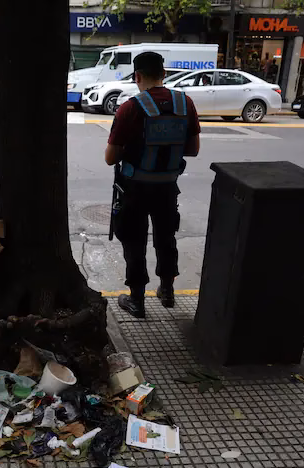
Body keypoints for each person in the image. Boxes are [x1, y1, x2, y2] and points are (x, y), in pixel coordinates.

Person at [104, 52, 201, 318]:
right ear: (164, 74)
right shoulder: (185, 104)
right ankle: (167, 291)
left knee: (134, 242)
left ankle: (137, 301)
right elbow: (193, 150)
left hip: (135, 189)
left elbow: (110, 157)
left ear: (137, 76)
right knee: (166, 238)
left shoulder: (130, 108)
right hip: (167, 188)